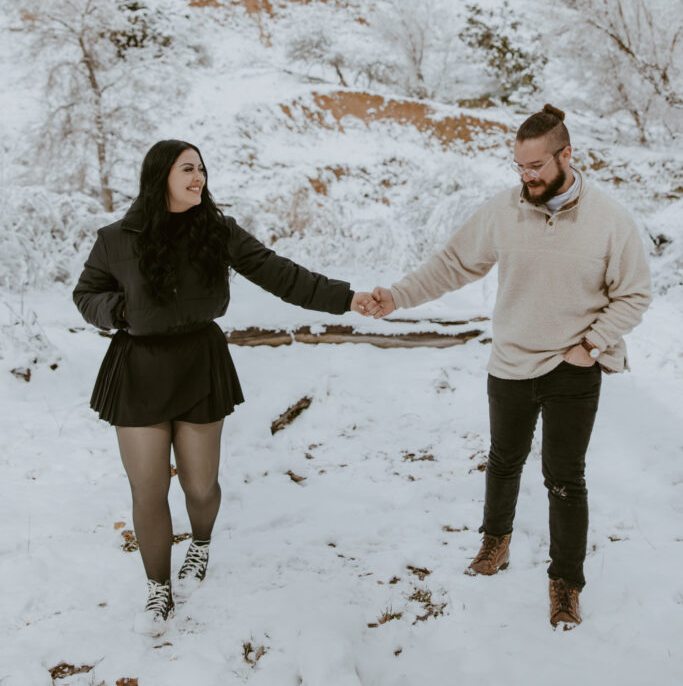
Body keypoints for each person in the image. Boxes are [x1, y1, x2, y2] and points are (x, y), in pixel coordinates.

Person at [365, 105, 652, 628]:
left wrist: (592, 344)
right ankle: (494, 542)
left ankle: (565, 583)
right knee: (502, 461)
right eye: (519, 166)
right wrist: (397, 296)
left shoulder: (610, 220)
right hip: (511, 361)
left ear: (567, 155)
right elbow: (452, 263)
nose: (526, 177)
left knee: (565, 478)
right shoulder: (504, 210)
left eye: (536, 166)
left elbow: (634, 294)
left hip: (572, 366)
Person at [73, 139, 374, 636]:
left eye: (202, 169)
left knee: (199, 485)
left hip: (199, 363)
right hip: (139, 370)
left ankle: (202, 544)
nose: (199, 178)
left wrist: (348, 298)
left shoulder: (217, 231)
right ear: (160, 176)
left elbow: (281, 274)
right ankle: (158, 589)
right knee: (148, 489)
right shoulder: (116, 238)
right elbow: (87, 294)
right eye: (188, 169)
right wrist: (119, 313)